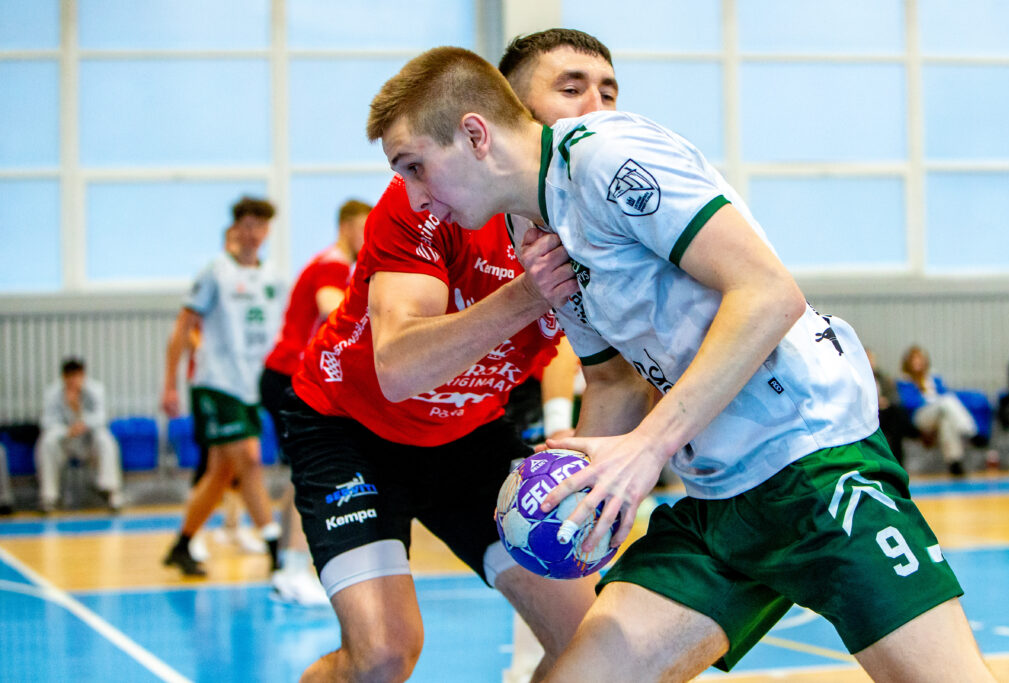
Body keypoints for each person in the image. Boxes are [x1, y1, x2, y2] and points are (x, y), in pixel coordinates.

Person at [366, 47, 994, 681]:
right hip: (716, 495)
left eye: (415, 167)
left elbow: (768, 294)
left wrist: (646, 449)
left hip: (812, 466)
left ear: (475, 134)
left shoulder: (606, 156)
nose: (413, 197)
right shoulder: (532, 228)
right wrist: (582, 488)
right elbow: (613, 379)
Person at [280, 29, 651, 682]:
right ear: (509, 114)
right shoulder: (429, 196)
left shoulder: (602, 222)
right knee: (383, 656)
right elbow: (399, 368)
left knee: (592, 643)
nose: (596, 107)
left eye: (609, 91)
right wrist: (528, 295)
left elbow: (613, 376)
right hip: (349, 426)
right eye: (572, 89)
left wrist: (586, 471)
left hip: (466, 436)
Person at [161, 196, 286, 577]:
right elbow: (183, 327)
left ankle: (182, 544)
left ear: (267, 231)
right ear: (235, 228)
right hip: (216, 382)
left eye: (259, 226)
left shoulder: (275, 278)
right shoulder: (216, 272)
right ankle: (275, 547)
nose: (252, 233)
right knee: (249, 459)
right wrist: (169, 384)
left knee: (219, 473)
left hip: (251, 386)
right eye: (246, 225)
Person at [260, 198, 372, 606]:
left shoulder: (339, 264)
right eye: (363, 228)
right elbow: (330, 307)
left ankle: (286, 568)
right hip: (291, 377)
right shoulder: (333, 265)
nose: (368, 237)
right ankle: (291, 569)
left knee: (300, 472)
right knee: (307, 472)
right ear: (345, 227)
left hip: (287, 376)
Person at [34, 357, 123, 513]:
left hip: (88, 441)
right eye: (70, 377)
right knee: (47, 442)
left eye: (77, 376)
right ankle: (48, 497)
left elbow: (102, 417)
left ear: (83, 375)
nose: (74, 381)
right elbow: (46, 421)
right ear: (64, 377)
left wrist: (82, 420)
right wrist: (66, 430)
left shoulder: (96, 390)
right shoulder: (52, 393)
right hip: (65, 442)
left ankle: (111, 492)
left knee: (105, 439)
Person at [899, 344, 977, 476]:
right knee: (946, 402)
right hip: (920, 416)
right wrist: (930, 401)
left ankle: (954, 462)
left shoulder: (933, 377)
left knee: (946, 421)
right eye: (914, 359)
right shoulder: (904, 381)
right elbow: (909, 403)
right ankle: (969, 430)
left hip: (940, 412)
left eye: (920, 359)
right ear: (908, 362)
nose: (917, 362)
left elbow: (944, 392)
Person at [867, 348, 915, 466]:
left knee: (897, 414)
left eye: (872, 359)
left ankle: (898, 461)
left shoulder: (882, 378)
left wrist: (886, 401)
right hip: (867, 413)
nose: (870, 361)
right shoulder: (857, 378)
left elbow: (893, 395)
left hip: (884, 412)